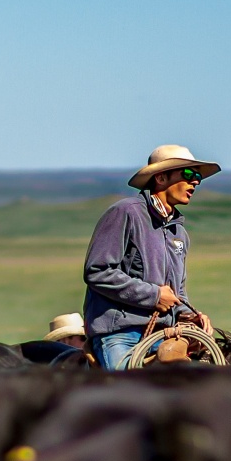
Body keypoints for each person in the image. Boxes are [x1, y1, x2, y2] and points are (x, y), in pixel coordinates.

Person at [83, 144, 217, 370]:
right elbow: (97, 270)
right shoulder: (126, 212)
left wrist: (187, 315)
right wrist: (153, 295)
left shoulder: (179, 233)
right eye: (188, 174)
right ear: (161, 178)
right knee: (129, 394)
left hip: (163, 334)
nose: (195, 181)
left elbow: (177, 292)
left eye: (197, 177)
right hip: (121, 334)